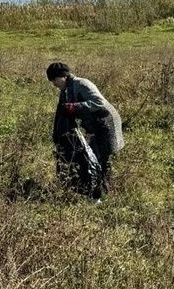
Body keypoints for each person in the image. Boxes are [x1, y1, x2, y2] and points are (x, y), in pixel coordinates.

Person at [47, 62, 124, 198]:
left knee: (102, 155)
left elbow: (99, 102)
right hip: (94, 125)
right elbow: (61, 112)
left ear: (63, 76)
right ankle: (99, 189)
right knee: (94, 155)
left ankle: (104, 191)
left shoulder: (81, 84)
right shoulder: (65, 91)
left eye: (55, 79)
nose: (53, 83)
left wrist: (75, 107)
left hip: (106, 122)